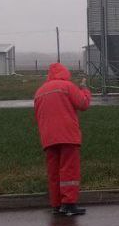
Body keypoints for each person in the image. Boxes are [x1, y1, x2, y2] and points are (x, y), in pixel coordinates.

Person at [34, 62, 93, 216]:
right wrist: (85, 89)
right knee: (69, 170)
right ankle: (69, 204)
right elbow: (83, 104)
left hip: (48, 137)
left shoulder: (40, 91)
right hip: (67, 135)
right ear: (65, 73)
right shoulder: (67, 86)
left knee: (54, 172)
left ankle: (57, 204)